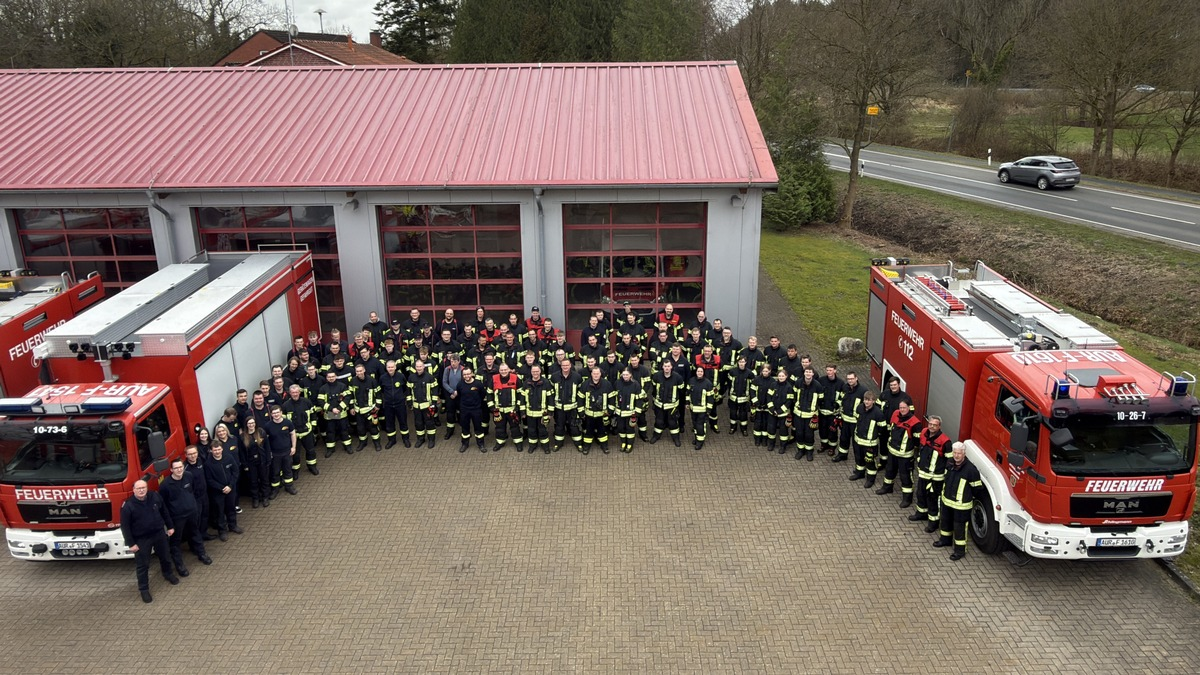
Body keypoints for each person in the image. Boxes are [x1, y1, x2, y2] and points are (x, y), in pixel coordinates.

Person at [120, 479, 179, 603]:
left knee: (165, 557)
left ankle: (168, 574)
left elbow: (164, 511)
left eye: (143, 488)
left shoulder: (155, 497)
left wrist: (170, 526)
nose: (141, 490)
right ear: (134, 490)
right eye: (138, 488)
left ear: (147, 488)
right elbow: (125, 526)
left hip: (158, 534)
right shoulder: (128, 505)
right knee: (143, 565)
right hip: (141, 539)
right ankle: (144, 589)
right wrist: (131, 543)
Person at [159, 457, 212, 578]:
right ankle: (180, 566)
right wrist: (169, 523)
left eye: (180, 467)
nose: (179, 470)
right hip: (177, 518)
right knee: (175, 542)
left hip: (192, 514)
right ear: (171, 470)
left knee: (195, 533)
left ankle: (202, 554)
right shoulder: (165, 485)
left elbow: (191, 491)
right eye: (176, 468)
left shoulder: (188, 476)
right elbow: (164, 506)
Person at [936, 442, 983, 561]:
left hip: (962, 506)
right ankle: (945, 540)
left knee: (959, 528)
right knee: (945, 521)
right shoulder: (950, 462)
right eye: (955, 453)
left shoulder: (971, 470)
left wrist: (967, 497)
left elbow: (977, 489)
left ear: (964, 454)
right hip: (947, 501)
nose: (956, 455)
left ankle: (960, 551)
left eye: (959, 453)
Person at [877, 400, 923, 506]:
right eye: (900, 407)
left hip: (905, 455)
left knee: (905, 476)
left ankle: (907, 498)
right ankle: (887, 487)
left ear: (909, 408)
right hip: (892, 451)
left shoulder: (915, 423)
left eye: (904, 407)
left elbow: (917, 441)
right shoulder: (895, 414)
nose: (902, 409)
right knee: (889, 471)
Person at [912, 414, 953, 533]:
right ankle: (921, 513)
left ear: (939, 426)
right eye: (930, 424)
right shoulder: (924, 433)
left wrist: (944, 475)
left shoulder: (945, 442)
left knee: (933, 499)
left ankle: (933, 522)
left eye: (935, 425)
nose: (932, 427)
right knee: (920, 494)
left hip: (936, 477)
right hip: (923, 473)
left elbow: (949, 461)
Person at [850, 391, 887, 488]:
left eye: (869, 400)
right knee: (858, 458)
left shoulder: (878, 413)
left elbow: (882, 428)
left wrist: (875, 435)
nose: (866, 402)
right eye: (865, 400)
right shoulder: (859, 408)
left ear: (873, 401)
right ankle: (859, 473)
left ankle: (870, 479)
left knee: (870, 461)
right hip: (858, 439)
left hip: (870, 443)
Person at [204, 443, 241, 541]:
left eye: (219, 449)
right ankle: (222, 531)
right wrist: (221, 488)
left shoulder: (228, 457)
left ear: (222, 449)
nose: (217, 452)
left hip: (230, 489)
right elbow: (209, 480)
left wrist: (230, 485)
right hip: (218, 492)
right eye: (215, 450)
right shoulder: (208, 464)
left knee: (231, 508)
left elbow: (235, 472)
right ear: (211, 450)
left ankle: (233, 526)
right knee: (220, 512)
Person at [283, 384, 318, 475]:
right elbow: (283, 421)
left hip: (307, 432)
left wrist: (313, 425)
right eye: (293, 392)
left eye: (297, 392)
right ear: (290, 393)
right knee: (295, 454)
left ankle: (312, 466)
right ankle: (295, 470)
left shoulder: (307, 402)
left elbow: (313, 414)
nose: (295, 394)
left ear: (299, 392)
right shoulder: (285, 406)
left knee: (311, 451)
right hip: (294, 435)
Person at [263, 405, 298, 497]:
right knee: (275, 472)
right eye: (274, 413)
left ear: (281, 412)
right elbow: (265, 441)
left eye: (277, 412)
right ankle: (275, 489)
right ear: (271, 414)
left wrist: (293, 447)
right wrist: (269, 452)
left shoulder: (288, 423)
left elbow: (293, 434)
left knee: (288, 470)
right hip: (275, 454)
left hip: (287, 452)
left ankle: (289, 486)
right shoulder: (267, 426)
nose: (276, 414)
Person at [649, 360, 685, 447]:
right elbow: (653, 390)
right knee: (659, 421)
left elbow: (682, 392)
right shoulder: (657, 376)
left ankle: (676, 438)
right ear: (662, 367)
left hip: (672, 406)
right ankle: (656, 436)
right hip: (659, 405)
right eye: (665, 366)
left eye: (668, 366)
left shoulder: (678, 378)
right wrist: (654, 402)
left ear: (671, 367)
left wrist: (679, 405)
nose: (667, 368)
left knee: (672, 423)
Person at [579, 366, 614, 454]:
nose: (596, 375)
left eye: (597, 373)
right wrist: (581, 412)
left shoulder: (607, 384)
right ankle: (586, 446)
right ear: (591, 374)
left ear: (600, 374)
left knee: (602, 431)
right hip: (589, 414)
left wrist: (609, 411)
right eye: (594, 373)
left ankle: (604, 446)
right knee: (588, 432)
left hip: (602, 414)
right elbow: (580, 399)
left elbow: (612, 399)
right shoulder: (585, 384)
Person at [835, 371, 867, 464]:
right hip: (845, 420)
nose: (850, 381)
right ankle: (842, 455)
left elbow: (865, 407)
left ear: (856, 378)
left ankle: (859, 461)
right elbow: (841, 400)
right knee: (843, 438)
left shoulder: (863, 391)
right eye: (848, 379)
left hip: (855, 422)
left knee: (856, 443)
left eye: (852, 379)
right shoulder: (845, 387)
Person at [551, 357, 583, 451]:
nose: (565, 367)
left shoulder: (577, 377)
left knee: (574, 427)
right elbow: (551, 393)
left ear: (570, 366)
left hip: (573, 408)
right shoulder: (554, 377)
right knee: (559, 426)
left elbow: (580, 394)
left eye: (567, 365)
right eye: (563, 365)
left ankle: (578, 444)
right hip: (559, 408)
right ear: (561, 366)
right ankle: (558, 444)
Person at [182, 445, 213, 541]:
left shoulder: (200, 461)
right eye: (190, 454)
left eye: (194, 453)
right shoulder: (184, 468)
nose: (193, 456)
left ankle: (204, 534)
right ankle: (196, 540)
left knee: (205, 515)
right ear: (186, 455)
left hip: (204, 495)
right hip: (194, 498)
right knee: (196, 520)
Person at [455, 366, 489, 452]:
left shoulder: (478, 384)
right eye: (465, 374)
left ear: (472, 374)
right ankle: (464, 444)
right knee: (465, 428)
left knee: (478, 428)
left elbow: (482, 395)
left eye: (468, 374)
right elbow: (459, 396)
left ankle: (481, 444)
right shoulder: (460, 384)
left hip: (476, 410)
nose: (467, 376)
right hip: (464, 410)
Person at [319, 370, 352, 456]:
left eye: (333, 376)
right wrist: (331, 409)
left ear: (336, 377)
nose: (331, 378)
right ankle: (330, 449)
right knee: (330, 432)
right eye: (329, 377)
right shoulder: (323, 388)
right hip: (330, 415)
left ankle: (347, 446)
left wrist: (339, 408)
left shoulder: (342, 386)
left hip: (341, 414)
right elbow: (320, 401)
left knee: (344, 431)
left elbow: (347, 397)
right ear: (326, 378)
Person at [521, 364, 553, 454]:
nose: (535, 373)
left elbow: (550, 399)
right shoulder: (526, 383)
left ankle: (545, 446)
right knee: (531, 430)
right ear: (531, 372)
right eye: (533, 371)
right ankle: (532, 445)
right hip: (530, 414)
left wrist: (550, 413)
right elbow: (522, 399)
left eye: (537, 371)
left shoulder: (546, 383)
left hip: (543, 414)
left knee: (543, 430)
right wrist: (522, 412)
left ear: (540, 372)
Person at [491, 363, 522, 452]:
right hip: (498, 410)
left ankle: (518, 443)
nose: (503, 372)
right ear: (499, 370)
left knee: (515, 427)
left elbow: (520, 394)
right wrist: (492, 407)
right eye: (501, 370)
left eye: (505, 370)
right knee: (499, 428)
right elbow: (489, 393)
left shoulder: (515, 378)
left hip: (512, 410)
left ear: (509, 370)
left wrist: (517, 407)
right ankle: (500, 442)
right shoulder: (494, 379)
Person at [378, 359, 410, 448]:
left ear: (395, 367)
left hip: (400, 404)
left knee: (403, 422)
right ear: (386, 368)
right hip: (388, 405)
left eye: (392, 367)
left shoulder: (401, 376)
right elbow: (381, 390)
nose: (390, 369)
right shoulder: (382, 378)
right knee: (389, 423)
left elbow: (405, 388)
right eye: (389, 367)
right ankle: (391, 440)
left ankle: (406, 439)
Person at [349, 363, 381, 452]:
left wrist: (378, 406)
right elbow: (350, 395)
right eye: (357, 371)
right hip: (358, 410)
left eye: (360, 371)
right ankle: (363, 442)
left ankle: (377, 443)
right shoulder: (353, 381)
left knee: (373, 427)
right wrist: (351, 407)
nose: (359, 373)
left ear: (364, 370)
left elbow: (378, 394)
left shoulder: (372, 381)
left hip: (371, 409)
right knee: (360, 428)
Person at [792, 367, 822, 461]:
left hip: (810, 415)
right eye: (806, 372)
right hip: (799, 414)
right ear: (804, 373)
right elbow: (794, 395)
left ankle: (809, 452)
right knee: (799, 433)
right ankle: (800, 450)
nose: (808, 373)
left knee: (809, 435)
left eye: (810, 372)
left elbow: (820, 400)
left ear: (813, 374)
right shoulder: (798, 383)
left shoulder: (817, 386)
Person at [408, 359, 440, 448]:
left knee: (430, 423)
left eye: (420, 366)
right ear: (415, 367)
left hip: (427, 406)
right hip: (416, 406)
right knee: (418, 424)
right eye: (417, 366)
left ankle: (431, 440)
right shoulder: (411, 378)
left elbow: (435, 391)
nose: (419, 368)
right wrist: (409, 402)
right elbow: (408, 391)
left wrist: (433, 403)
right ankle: (420, 439)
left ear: (424, 367)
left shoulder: (430, 377)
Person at [240, 417, 271, 508]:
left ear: (255, 423)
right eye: (249, 423)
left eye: (253, 423)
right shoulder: (242, 436)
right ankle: (256, 498)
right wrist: (245, 464)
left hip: (262, 461)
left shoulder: (261, 432)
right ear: (246, 424)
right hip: (250, 463)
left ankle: (265, 497)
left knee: (264, 480)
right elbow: (241, 452)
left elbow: (267, 447)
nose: (251, 425)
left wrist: (268, 459)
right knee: (253, 482)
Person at [612, 368, 644, 453]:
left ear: (630, 375)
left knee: (630, 429)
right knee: (621, 428)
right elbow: (613, 395)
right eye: (624, 375)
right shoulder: (617, 383)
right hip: (619, 412)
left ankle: (630, 444)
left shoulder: (636, 384)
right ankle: (623, 443)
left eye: (627, 375)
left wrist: (636, 412)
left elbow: (639, 399)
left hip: (631, 413)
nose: (625, 376)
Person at [764, 368, 794, 454]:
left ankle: (783, 446)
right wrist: (772, 409)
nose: (781, 377)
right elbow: (769, 397)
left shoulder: (789, 387)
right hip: (772, 412)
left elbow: (789, 402)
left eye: (782, 376)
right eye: (779, 376)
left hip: (783, 414)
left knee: (783, 431)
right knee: (771, 429)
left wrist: (780, 411)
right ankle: (771, 444)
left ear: (786, 376)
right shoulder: (773, 385)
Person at [817, 365, 844, 457]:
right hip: (822, 411)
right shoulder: (821, 380)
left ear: (835, 371)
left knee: (832, 431)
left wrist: (837, 404)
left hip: (833, 413)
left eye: (831, 370)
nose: (829, 372)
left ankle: (832, 448)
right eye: (827, 370)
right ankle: (824, 445)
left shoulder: (840, 383)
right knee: (822, 429)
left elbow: (843, 397)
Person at [686, 367, 714, 450]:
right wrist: (687, 402)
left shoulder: (708, 384)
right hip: (693, 408)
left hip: (702, 409)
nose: (699, 373)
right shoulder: (691, 381)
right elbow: (688, 393)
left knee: (699, 425)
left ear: (703, 373)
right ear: (696, 372)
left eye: (701, 371)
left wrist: (708, 410)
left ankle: (700, 442)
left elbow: (710, 398)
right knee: (695, 424)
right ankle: (697, 437)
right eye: (698, 371)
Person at [726, 356, 753, 438]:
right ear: (738, 362)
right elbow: (729, 383)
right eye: (740, 361)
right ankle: (732, 427)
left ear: (746, 362)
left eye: (743, 361)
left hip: (744, 398)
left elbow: (752, 386)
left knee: (743, 414)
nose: (741, 363)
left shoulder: (749, 373)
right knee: (733, 413)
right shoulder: (732, 372)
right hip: (733, 397)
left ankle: (744, 429)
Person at [749, 364, 774, 446]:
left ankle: (764, 440)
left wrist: (768, 405)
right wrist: (757, 403)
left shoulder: (773, 381)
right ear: (761, 371)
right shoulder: (756, 380)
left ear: (770, 371)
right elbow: (752, 393)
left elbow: (773, 395)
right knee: (757, 423)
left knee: (765, 423)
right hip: (758, 406)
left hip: (767, 407)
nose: (765, 373)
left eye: (767, 371)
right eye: (763, 371)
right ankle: (757, 439)